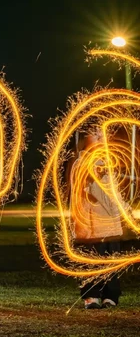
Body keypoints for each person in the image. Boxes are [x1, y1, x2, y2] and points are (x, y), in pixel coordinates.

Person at [70, 128, 123, 310]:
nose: (100, 138)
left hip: (110, 222)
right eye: (95, 134)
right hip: (91, 223)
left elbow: (114, 192)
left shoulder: (109, 161)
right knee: (91, 260)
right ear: (86, 139)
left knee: (111, 259)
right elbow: (92, 189)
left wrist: (124, 211)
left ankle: (111, 295)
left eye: (102, 134)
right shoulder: (82, 162)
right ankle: (91, 296)